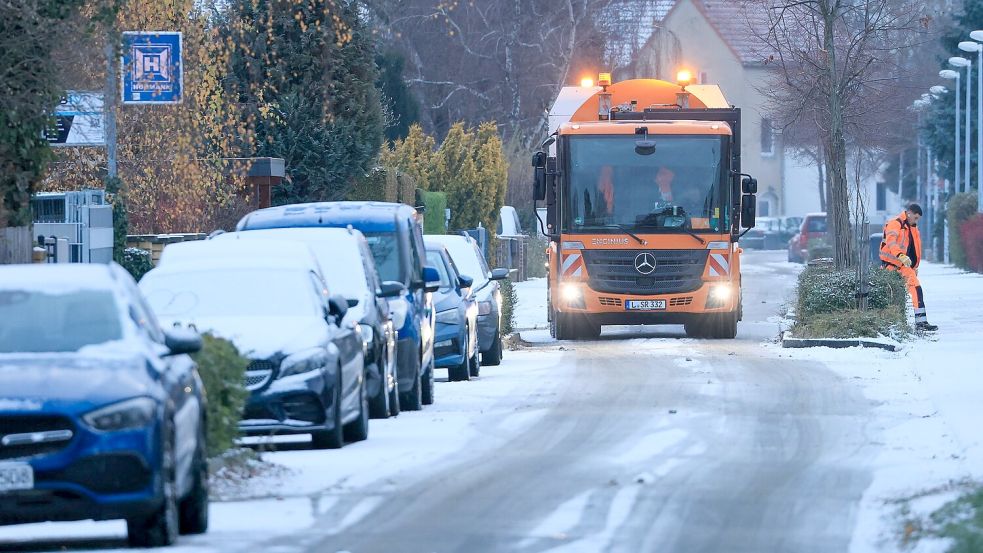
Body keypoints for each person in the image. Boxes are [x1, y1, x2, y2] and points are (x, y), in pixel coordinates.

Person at [879, 203, 937, 331]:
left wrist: (914, 266)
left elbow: (913, 248)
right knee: (895, 294)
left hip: (903, 266)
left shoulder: (911, 227)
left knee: (915, 289)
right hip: (892, 265)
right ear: (909, 213)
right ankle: (916, 323)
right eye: (915, 218)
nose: (916, 221)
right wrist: (900, 255)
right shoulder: (895, 223)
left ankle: (920, 322)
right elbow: (891, 242)